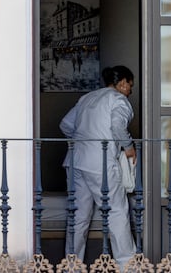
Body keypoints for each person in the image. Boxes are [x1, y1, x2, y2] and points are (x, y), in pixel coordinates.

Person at [59, 65, 137, 270]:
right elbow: (118, 126)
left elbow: (65, 124)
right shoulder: (119, 100)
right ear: (122, 83)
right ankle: (127, 267)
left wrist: (82, 141)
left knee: (78, 219)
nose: (130, 90)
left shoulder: (87, 98)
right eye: (130, 85)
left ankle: (71, 267)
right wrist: (129, 148)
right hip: (101, 164)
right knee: (117, 214)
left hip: (75, 161)